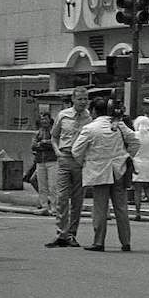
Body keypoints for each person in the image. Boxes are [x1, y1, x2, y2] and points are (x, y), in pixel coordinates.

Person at [71, 96, 140, 252]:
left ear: (94, 111)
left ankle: (99, 241)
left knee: (100, 208)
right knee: (121, 208)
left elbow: (76, 151)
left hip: (99, 172)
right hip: (119, 170)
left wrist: (85, 162)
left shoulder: (90, 129)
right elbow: (135, 141)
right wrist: (127, 156)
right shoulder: (119, 125)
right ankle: (126, 241)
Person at [46, 87, 91, 248]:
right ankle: (61, 233)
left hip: (80, 161)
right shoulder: (63, 115)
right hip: (64, 158)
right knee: (62, 197)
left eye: (85, 99)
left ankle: (72, 233)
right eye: (80, 99)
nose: (83, 102)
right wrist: (57, 152)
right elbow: (54, 136)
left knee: (77, 199)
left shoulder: (89, 118)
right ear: (73, 99)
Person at [131, 104, 149, 220]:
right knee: (147, 187)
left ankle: (138, 212)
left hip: (138, 162)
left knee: (137, 189)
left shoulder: (135, 135)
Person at [30, 113, 58, 216]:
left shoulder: (54, 131)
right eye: (42, 119)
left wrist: (43, 143)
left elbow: (55, 143)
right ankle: (44, 206)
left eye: (46, 119)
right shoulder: (38, 133)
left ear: (50, 120)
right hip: (40, 161)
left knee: (53, 186)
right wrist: (44, 144)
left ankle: (54, 208)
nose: (44, 121)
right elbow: (33, 146)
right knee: (42, 186)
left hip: (52, 161)